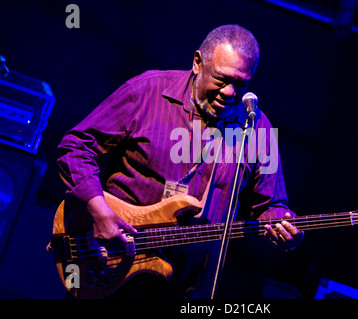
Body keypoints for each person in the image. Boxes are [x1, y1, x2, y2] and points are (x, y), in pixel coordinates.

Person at [57, 24, 303, 298]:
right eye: (221, 79)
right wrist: (98, 209)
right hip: (112, 262)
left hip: (186, 286)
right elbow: (77, 147)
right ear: (198, 62)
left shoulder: (257, 129)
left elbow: (271, 205)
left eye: (241, 83)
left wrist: (282, 225)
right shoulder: (147, 91)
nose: (230, 92)